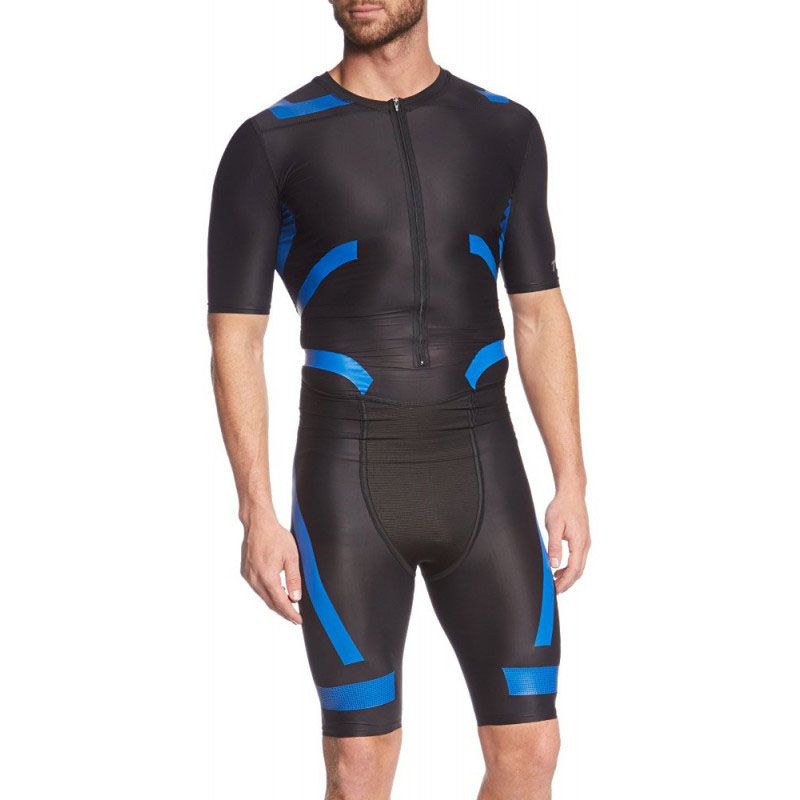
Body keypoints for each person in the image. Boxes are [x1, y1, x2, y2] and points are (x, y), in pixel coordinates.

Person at [208, 1, 590, 797]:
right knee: (360, 764)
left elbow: (538, 312)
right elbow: (236, 339)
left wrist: (572, 482)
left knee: (531, 749)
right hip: (349, 476)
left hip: (481, 467)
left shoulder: (505, 129)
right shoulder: (271, 142)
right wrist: (257, 514)